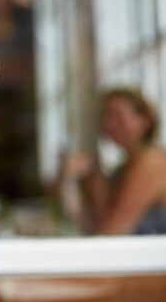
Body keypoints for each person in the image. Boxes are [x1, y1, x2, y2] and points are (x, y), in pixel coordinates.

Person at [59, 88, 166, 235]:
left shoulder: (153, 162)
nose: (108, 124)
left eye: (117, 115)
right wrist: (86, 180)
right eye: (105, 116)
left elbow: (112, 233)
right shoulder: (121, 171)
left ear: (144, 121)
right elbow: (92, 227)